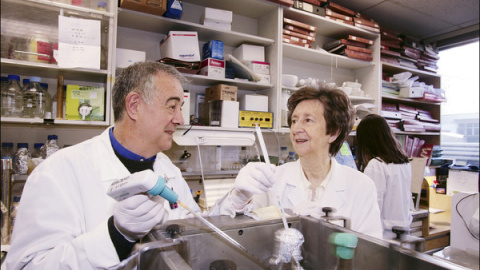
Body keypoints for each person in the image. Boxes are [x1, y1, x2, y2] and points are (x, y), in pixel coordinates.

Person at [6, 61, 203, 269]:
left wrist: (232, 203)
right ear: (134, 106)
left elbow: (197, 232)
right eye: (172, 106)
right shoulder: (58, 171)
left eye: (180, 108)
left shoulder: (169, 171)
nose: (180, 119)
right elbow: (27, 266)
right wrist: (116, 237)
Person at [211, 86, 382, 239]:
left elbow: (370, 255)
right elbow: (225, 230)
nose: (296, 129)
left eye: (308, 120)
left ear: (333, 132)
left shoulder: (361, 187)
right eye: (294, 120)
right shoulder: (273, 179)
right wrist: (238, 198)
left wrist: (326, 231)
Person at [355, 113, 413, 239]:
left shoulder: (376, 165)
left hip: (385, 233)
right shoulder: (404, 162)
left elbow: (374, 206)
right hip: (403, 228)